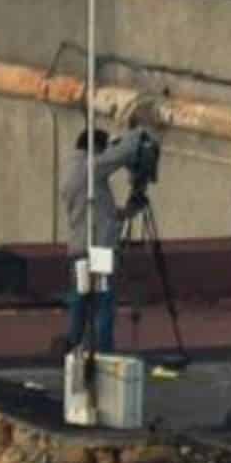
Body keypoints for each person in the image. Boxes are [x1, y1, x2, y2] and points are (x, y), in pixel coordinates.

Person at [60, 124, 144, 355]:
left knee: (80, 300)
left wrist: (125, 213)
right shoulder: (89, 166)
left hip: (80, 247)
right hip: (98, 251)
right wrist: (137, 133)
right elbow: (123, 154)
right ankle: (102, 353)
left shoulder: (72, 169)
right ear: (95, 148)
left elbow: (97, 213)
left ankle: (73, 348)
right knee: (103, 303)